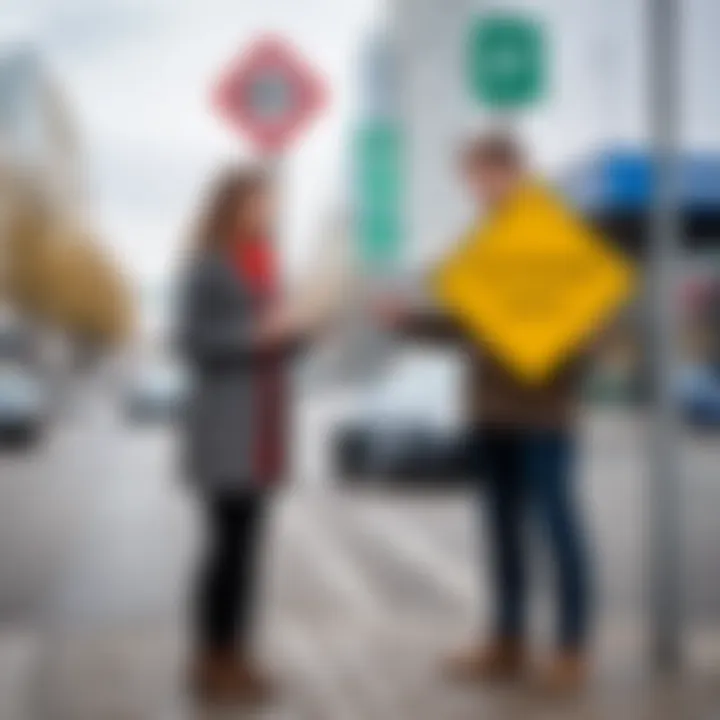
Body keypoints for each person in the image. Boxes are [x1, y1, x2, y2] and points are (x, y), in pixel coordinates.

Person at [374, 132, 592, 696]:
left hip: (543, 414)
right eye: (469, 179)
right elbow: (465, 325)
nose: (475, 189)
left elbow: (588, 329)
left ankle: (571, 650)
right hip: (489, 410)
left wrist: (544, 345)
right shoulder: (482, 237)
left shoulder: (554, 231)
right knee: (500, 532)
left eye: (481, 176)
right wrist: (408, 323)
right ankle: (506, 642)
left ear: (513, 170)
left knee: (558, 529)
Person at [177, 166, 305, 705]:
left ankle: (238, 652)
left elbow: (276, 345)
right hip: (226, 429)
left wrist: (300, 331)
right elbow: (191, 342)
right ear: (233, 204)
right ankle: (211, 657)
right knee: (225, 549)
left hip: (265, 428)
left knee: (249, 550)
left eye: (272, 203)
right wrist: (257, 334)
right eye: (261, 202)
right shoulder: (206, 265)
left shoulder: (268, 264)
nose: (269, 211)